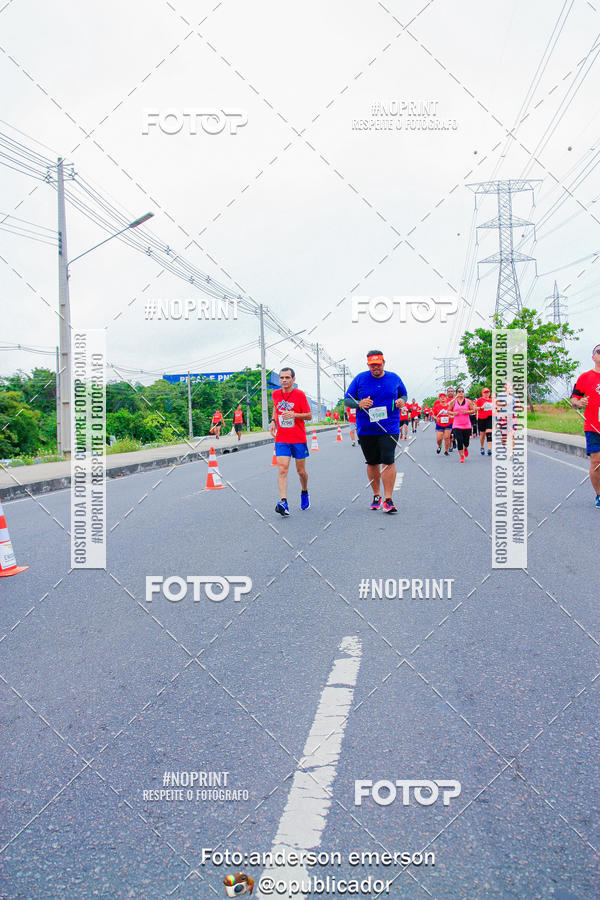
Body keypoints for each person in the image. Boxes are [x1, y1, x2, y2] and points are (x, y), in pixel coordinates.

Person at [345, 350, 407, 513]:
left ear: (383, 363)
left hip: (389, 426)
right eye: (372, 365)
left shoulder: (394, 378)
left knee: (388, 459)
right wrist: (359, 403)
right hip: (367, 428)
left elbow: (404, 395)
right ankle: (376, 495)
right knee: (372, 462)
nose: (375, 368)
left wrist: (401, 401)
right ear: (368, 365)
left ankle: (388, 499)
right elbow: (347, 399)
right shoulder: (360, 379)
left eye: (378, 365)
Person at [270, 367, 312, 516]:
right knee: (282, 469)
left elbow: (309, 416)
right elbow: (276, 408)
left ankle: (304, 491)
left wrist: (294, 415)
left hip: (298, 438)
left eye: (287, 377)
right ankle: (284, 502)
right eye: (281, 378)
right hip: (282, 438)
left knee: (301, 472)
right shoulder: (275, 394)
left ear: (293, 379)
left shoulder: (300, 395)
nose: (284, 380)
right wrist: (273, 421)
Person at [570, 343, 600, 508]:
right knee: (596, 462)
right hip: (594, 427)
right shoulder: (585, 378)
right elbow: (573, 400)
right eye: (599, 351)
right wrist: (579, 402)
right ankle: (599, 494)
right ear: (593, 356)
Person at [446, 388, 477, 462]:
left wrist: (467, 412)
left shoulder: (468, 401)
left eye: (462, 391)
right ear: (456, 393)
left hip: (466, 425)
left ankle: (465, 448)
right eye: (459, 391)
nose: (461, 393)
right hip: (457, 425)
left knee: (466, 442)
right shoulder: (453, 402)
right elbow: (448, 411)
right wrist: (453, 413)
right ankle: (462, 456)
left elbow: (473, 410)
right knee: (459, 440)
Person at [475, 387, 493, 456]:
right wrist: (481, 407)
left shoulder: (491, 400)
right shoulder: (480, 400)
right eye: (485, 393)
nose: (486, 394)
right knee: (482, 434)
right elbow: (475, 408)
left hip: (490, 417)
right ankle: (482, 447)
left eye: (488, 392)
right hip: (481, 418)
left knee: (489, 432)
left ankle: (489, 449)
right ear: (482, 393)